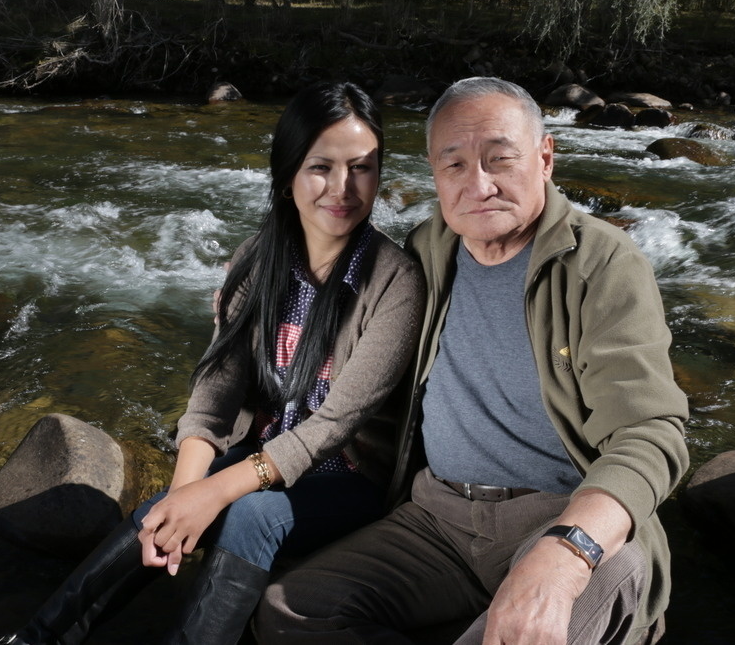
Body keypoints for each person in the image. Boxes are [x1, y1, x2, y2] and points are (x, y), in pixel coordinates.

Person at [256, 76, 690, 645]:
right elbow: (338, 308)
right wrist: (253, 314)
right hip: (437, 520)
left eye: (500, 159)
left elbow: (650, 431)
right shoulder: (426, 250)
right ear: (434, 173)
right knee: (289, 610)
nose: (478, 185)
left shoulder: (602, 263)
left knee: (555, 610)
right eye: (454, 164)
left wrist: (568, 551)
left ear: (545, 157)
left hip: (564, 517)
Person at [0, 81, 426, 645]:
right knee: (164, 509)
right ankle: (36, 637)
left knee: (249, 515)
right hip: (259, 455)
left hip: (346, 475)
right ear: (288, 175)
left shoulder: (396, 283)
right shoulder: (257, 259)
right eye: (321, 167)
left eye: (362, 168)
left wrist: (217, 492)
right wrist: (185, 496)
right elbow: (215, 393)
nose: (342, 189)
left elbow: (333, 426)